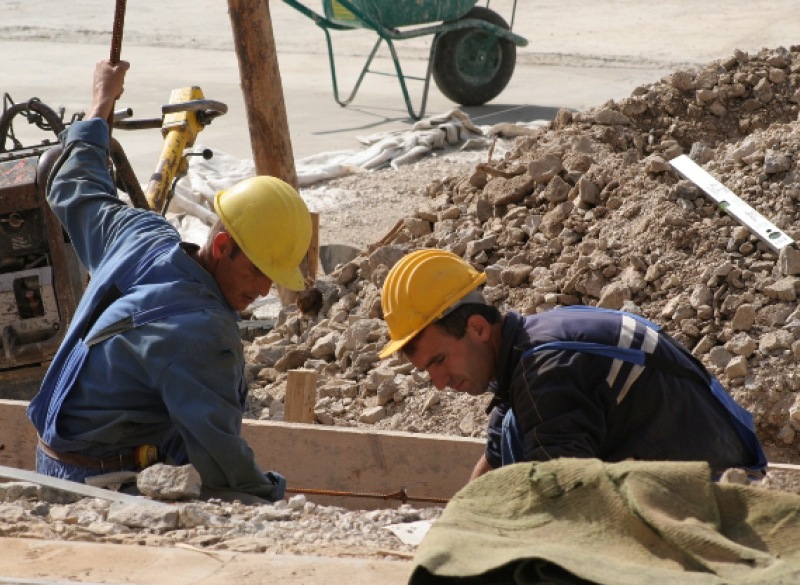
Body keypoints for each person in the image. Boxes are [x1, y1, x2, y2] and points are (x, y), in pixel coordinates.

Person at [27, 59, 312, 502]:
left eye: (272, 279)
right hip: (100, 487)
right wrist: (278, 497)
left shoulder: (143, 235)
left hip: (50, 464)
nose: (262, 292)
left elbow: (75, 184)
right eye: (257, 271)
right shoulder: (205, 331)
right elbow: (225, 468)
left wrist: (101, 100)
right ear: (221, 248)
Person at [379, 249, 767, 482]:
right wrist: (457, 529)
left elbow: (565, 497)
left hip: (720, 483)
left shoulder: (545, 369)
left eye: (440, 361)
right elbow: (495, 460)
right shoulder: (524, 351)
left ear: (478, 328)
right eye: (428, 371)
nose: (440, 383)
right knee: (516, 431)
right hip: (693, 461)